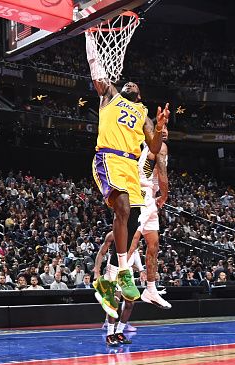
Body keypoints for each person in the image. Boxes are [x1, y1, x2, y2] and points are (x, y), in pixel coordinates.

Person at [86, 30, 169, 318]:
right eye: (127, 82)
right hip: (108, 157)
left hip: (131, 166)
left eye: (135, 83)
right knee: (121, 207)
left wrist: (158, 126)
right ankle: (123, 273)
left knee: (129, 222)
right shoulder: (109, 95)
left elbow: (155, 148)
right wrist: (88, 34)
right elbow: (96, 67)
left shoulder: (144, 114)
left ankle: (107, 284)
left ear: (140, 94)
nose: (130, 82)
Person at [127, 123, 171, 309]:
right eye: (163, 128)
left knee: (153, 244)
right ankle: (114, 278)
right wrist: (166, 195)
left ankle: (150, 289)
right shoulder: (159, 146)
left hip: (150, 197)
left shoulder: (149, 147)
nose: (166, 132)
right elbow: (162, 173)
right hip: (142, 195)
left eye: (167, 128)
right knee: (133, 237)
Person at [95, 231, 139, 346]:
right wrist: (97, 272)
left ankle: (119, 332)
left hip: (127, 271)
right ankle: (110, 334)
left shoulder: (135, 235)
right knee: (114, 302)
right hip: (114, 270)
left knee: (130, 303)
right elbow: (101, 253)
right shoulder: (113, 234)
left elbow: (135, 253)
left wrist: (141, 269)